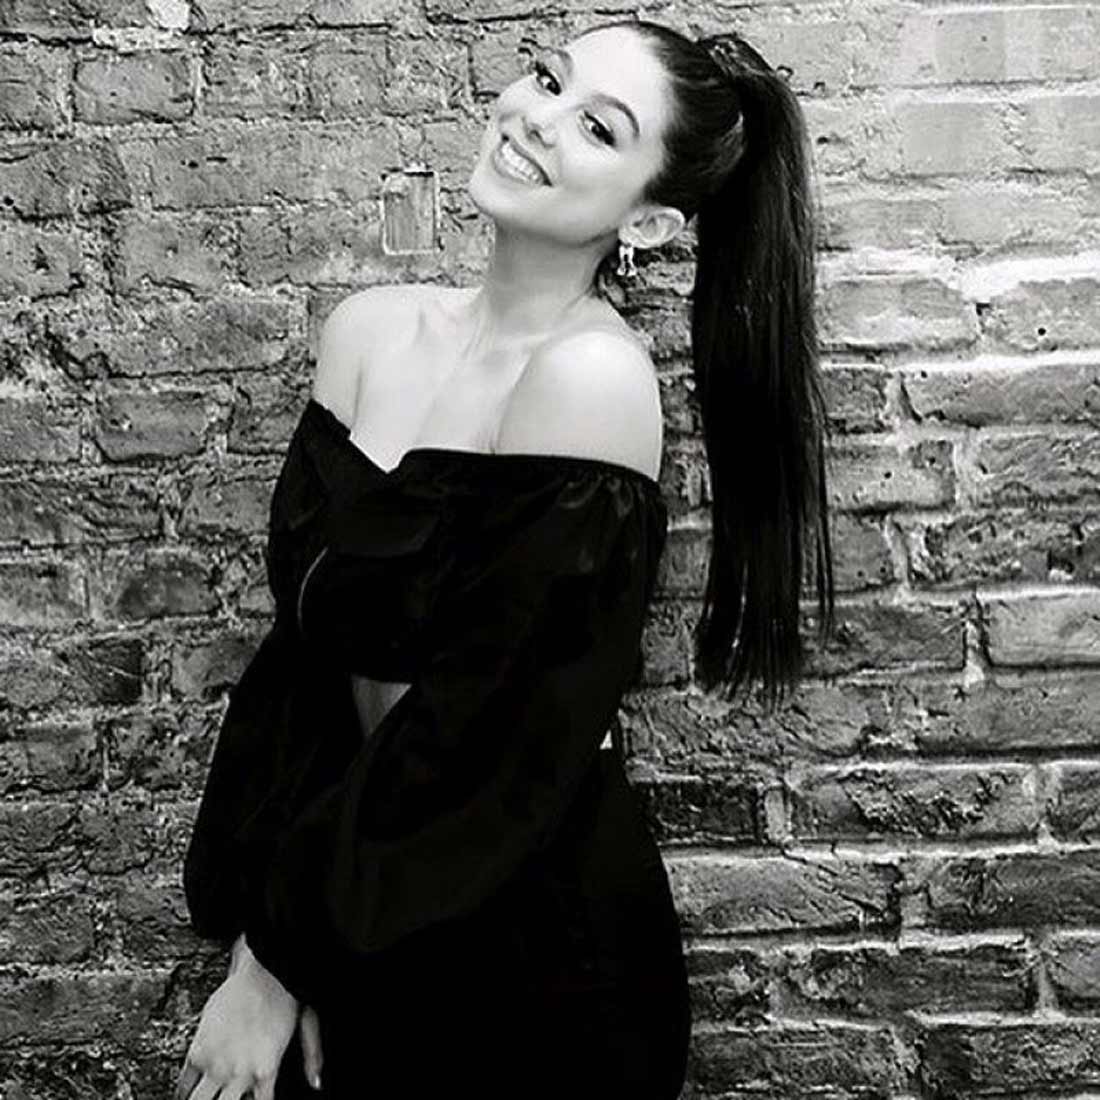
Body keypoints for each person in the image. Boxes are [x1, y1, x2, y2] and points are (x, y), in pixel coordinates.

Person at [175, 16, 835, 1100]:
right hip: (361, 908)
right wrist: (272, 936)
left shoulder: (589, 378)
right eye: (546, 77)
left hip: (527, 956)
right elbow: (305, 660)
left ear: (649, 222)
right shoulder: (367, 331)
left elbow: (486, 731)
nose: (538, 117)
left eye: (599, 127)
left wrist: (284, 952)